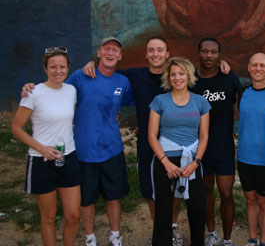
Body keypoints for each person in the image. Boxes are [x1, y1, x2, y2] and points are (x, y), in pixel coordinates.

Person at [81, 36, 230, 246]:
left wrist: (223, 65)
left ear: (167, 54)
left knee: (185, 197)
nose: (155, 54)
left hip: (184, 151)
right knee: (155, 196)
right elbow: (108, 71)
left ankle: (173, 228)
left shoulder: (186, 81)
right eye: (151, 50)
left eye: (160, 50)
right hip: (150, 147)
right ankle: (163, 232)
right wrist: (92, 65)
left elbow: (208, 74)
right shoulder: (136, 76)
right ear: (146, 54)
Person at [21, 37, 135, 246]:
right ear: (99, 52)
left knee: (114, 197)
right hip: (83, 151)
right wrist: (31, 88)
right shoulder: (80, 77)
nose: (111, 53)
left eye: (115, 50)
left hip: (112, 149)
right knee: (86, 200)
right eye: (107, 49)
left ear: (120, 56)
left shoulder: (123, 82)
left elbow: (128, 101)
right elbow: (55, 87)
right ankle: (90, 238)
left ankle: (115, 236)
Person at [12, 46, 81, 246]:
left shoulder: (71, 91)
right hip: (41, 160)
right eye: (53, 67)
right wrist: (42, 148)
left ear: (68, 68)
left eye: (62, 67)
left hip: (67, 157)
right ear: (45, 69)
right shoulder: (33, 93)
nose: (58, 71)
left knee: (74, 215)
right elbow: (16, 128)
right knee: (49, 218)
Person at [148, 57, 211, 246]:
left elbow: (204, 136)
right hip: (165, 159)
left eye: (181, 73)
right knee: (164, 209)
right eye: (173, 74)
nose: (177, 78)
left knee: (198, 208)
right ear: (168, 77)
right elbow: (152, 135)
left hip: (191, 160)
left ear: (189, 75)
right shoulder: (159, 101)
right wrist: (166, 162)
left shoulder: (200, 102)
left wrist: (195, 162)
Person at [190, 38, 242, 246]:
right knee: (206, 192)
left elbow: (247, 96)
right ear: (199, 53)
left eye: (213, 52)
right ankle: (211, 233)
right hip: (200, 148)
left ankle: (227, 239)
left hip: (224, 147)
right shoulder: (191, 80)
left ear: (219, 55)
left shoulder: (228, 77)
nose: (209, 56)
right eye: (205, 51)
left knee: (227, 193)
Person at [236, 53, 265, 246]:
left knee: (264, 203)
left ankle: (263, 241)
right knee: (250, 201)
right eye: (254, 65)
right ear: (249, 68)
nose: (258, 68)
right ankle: (252, 238)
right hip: (244, 158)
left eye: (262, 65)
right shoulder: (242, 93)